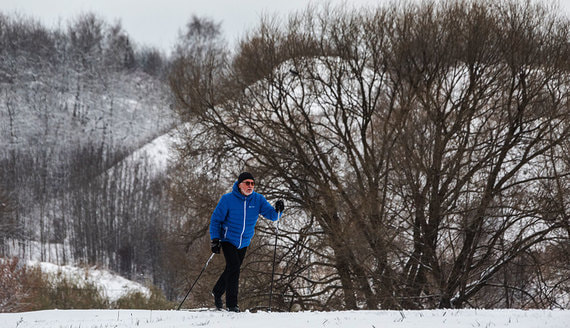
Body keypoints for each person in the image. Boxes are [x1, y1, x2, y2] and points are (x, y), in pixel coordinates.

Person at [209, 172, 284, 312]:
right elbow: (216, 220)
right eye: (247, 183)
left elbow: (273, 216)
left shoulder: (258, 200)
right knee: (235, 267)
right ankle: (232, 305)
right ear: (239, 185)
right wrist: (215, 239)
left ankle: (217, 291)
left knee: (232, 268)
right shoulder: (227, 199)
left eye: (252, 183)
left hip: (244, 241)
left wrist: (279, 209)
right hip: (228, 239)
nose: (250, 186)